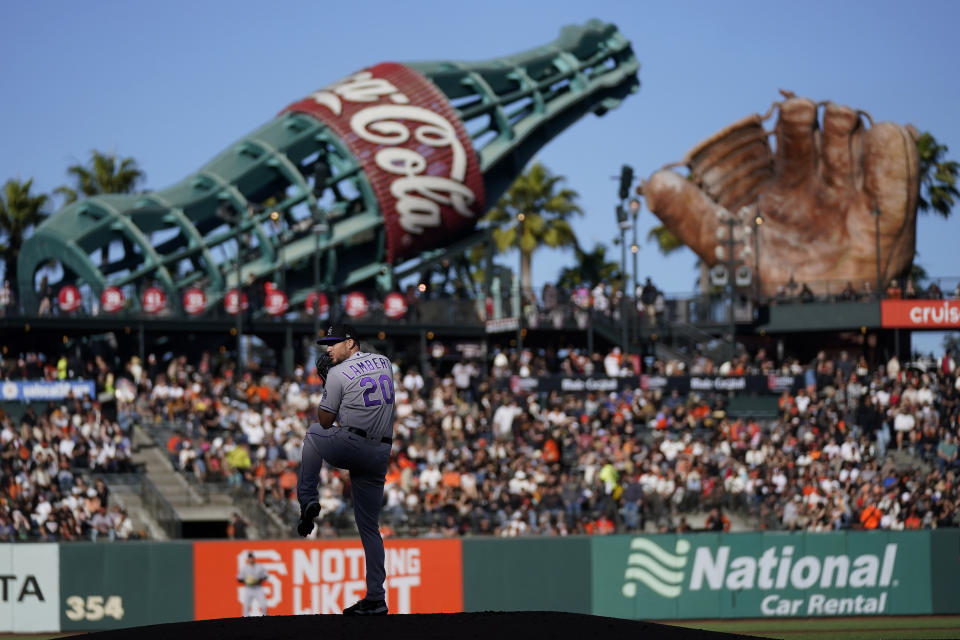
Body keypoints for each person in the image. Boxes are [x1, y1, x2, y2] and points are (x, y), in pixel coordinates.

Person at [296, 323, 395, 616]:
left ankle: (308, 500)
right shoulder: (385, 362)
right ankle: (377, 597)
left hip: (354, 445)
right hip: (381, 453)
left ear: (351, 343)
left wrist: (329, 384)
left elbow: (326, 421)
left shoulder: (337, 374)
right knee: (370, 528)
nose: (328, 348)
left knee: (313, 434)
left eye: (334, 342)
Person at [236, 552, 268, 616]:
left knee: (263, 605)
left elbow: (265, 576)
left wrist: (258, 580)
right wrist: (246, 581)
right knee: (246, 607)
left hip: (258, 588)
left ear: (254, 558)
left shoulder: (259, 566)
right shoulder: (244, 568)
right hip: (249, 589)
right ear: (248, 559)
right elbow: (239, 579)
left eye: (252, 558)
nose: (251, 559)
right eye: (250, 558)